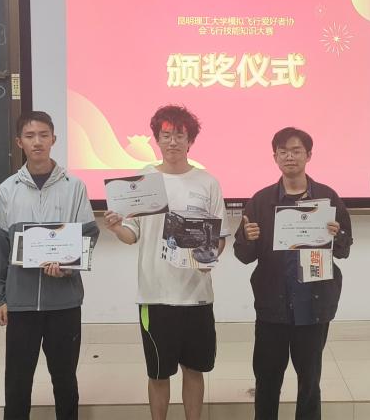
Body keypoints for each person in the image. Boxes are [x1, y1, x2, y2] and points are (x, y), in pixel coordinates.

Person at [101, 104, 229, 420]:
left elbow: (219, 236)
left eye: (180, 135)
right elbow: (132, 234)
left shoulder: (207, 182)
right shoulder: (144, 181)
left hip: (197, 295)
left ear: (190, 140)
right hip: (154, 294)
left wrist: (209, 256)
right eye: (166, 135)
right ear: (157, 138)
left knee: (195, 370)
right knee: (158, 373)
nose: (173, 141)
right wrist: (117, 228)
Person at [234, 127, 353, 420]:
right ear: (275, 157)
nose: (290, 156)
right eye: (283, 151)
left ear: (308, 155)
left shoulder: (327, 198)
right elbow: (243, 255)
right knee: (267, 380)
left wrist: (337, 235)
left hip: (312, 305)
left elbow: (344, 249)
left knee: (309, 382)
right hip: (272, 307)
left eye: (296, 150)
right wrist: (248, 238)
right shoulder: (261, 200)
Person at [0, 110, 98, 420]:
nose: (37, 142)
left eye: (43, 135)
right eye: (29, 136)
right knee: (17, 381)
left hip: (64, 302)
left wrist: (68, 266)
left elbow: (89, 235)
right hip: (21, 303)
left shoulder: (74, 186)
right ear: (19, 142)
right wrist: (0, 298)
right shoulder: (7, 190)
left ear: (54, 139)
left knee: (65, 379)